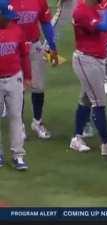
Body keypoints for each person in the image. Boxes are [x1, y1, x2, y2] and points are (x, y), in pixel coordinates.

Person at [69, 0, 107, 156]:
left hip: (96, 58)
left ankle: (77, 138)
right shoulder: (81, 11)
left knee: (86, 99)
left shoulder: (92, 8)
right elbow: (105, 26)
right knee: (98, 102)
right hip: (87, 60)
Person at [11, 0, 58, 139]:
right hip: (15, 48)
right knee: (18, 88)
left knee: (38, 86)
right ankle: (19, 125)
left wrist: (52, 47)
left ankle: (37, 122)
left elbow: (46, 24)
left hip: (34, 45)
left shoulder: (39, 1)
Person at [0, 0, 32, 170]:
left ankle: (18, 155)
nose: (8, 20)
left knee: (16, 117)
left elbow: (25, 55)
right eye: (5, 17)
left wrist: (28, 77)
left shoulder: (17, 30)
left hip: (14, 78)